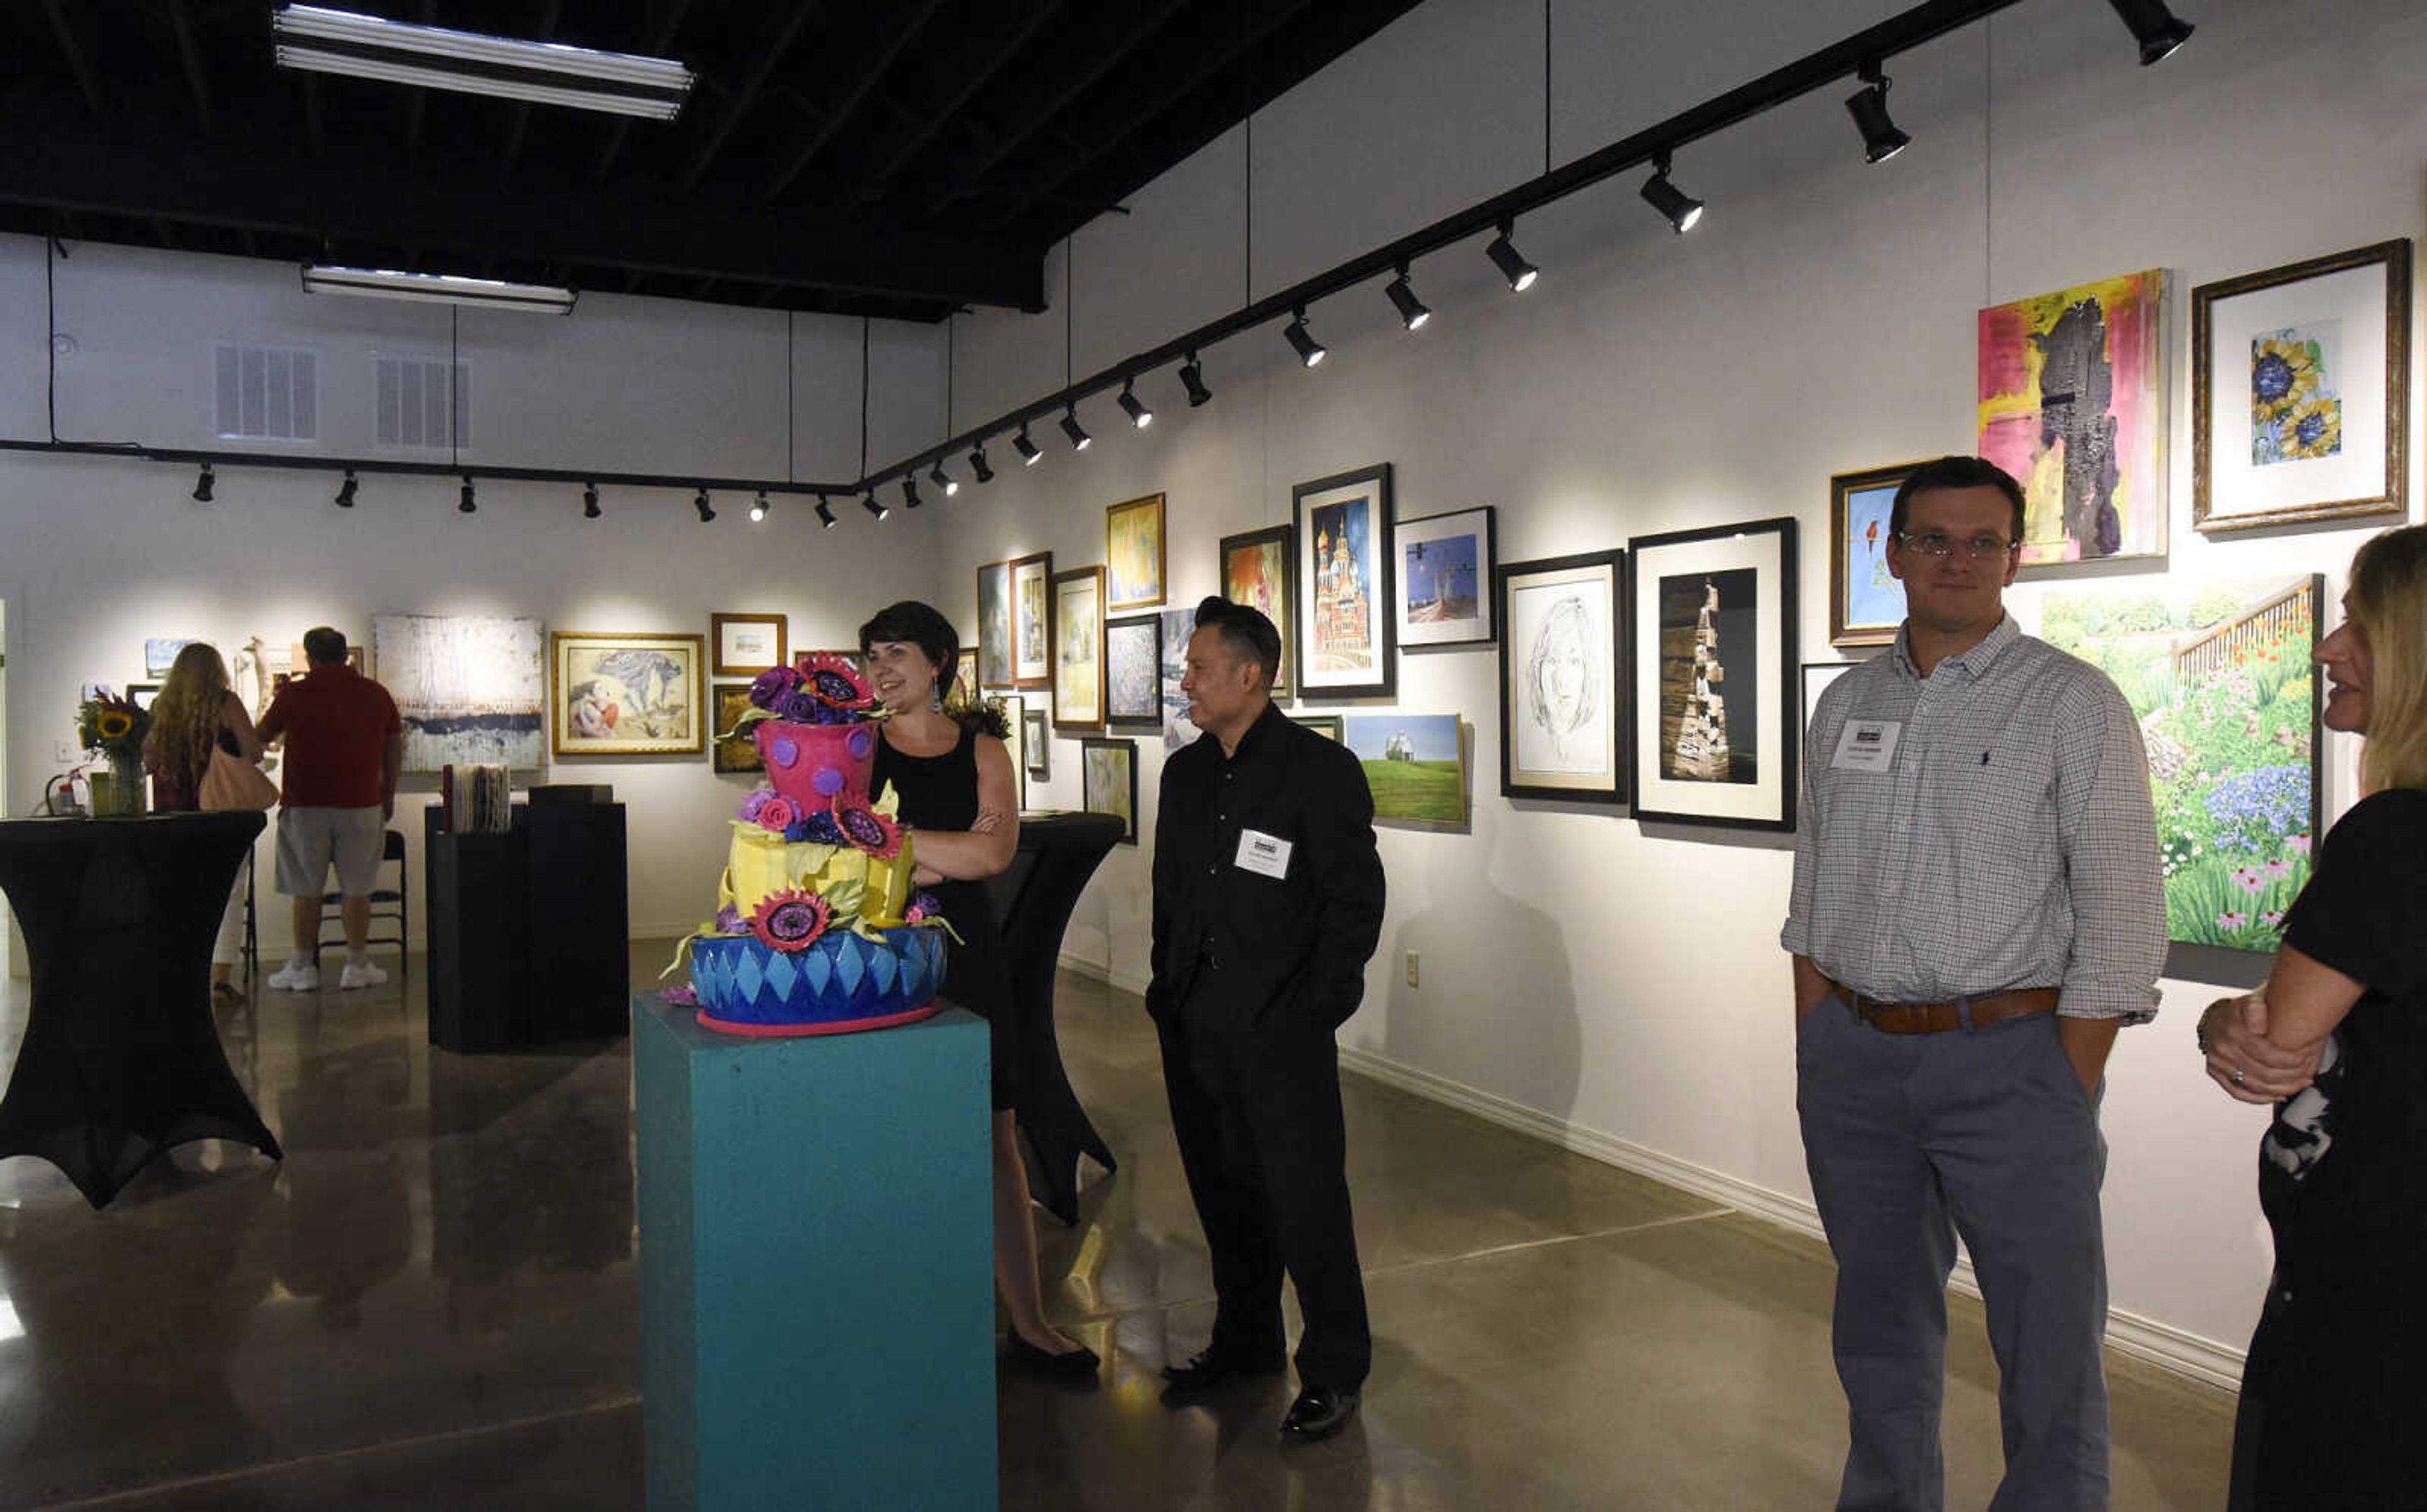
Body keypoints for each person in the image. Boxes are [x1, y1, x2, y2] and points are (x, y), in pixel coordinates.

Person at [1782, 454, 2165, 1509]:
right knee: (1878, 1322)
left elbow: (2125, 916)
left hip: (2012, 1060)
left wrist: (2061, 1077)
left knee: (2047, 1341)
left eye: (1983, 541)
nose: (1958, 560)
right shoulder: (1844, 704)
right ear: (1893, 553)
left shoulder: (2073, 704)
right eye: (1934, 539)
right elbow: (1815, 886)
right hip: (1855, 1060)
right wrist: (1821, 1031)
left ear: (2016, 555)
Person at [2194, 523, 2427, 1508]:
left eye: (2361, 627)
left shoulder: (2395, 837)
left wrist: (2223, 1022)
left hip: (2375, 1295)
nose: (2331, 649)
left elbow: (2271, 1053)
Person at [1148, 596, 1385, 1442]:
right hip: (1196, 1022)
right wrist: (1164, 988)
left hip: (1281, 1028)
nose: (1186, 683)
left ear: (1251, 675)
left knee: (1306, 1199)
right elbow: (1171, 896)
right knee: (1225, 1196)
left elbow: (1353, 904)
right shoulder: (1185, 774)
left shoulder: (1319, 772)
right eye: (1187, 669)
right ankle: (1245, 1341)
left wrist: (1316, 1008)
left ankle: (1334, 1366)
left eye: (1199, 667)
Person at [859, 600, 1098, 1378]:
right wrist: (929, 854)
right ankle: (909, 1308)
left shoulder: (984, 748)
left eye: (897, 652)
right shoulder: (859, 747)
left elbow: (995, 853)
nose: (882, 669)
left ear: (938, 662)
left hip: (969, 959)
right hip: (883, 956)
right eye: (872, 656)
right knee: (894, 1138)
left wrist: (886, 846)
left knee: (996, 1142)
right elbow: (837, 855)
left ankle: (1028, 1320)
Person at [255, 627, 402, 993]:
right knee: (358, 889)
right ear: (345, 655)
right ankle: (356, 963)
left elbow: (260, 735)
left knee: (306, 889)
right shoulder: (376, 694)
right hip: (363, 803)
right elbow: (394, 748)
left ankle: (303, 966)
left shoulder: (295, 693)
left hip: (306, 805)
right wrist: (388, 796)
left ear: (310, 657)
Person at [142, 641, 268, 1007]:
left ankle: (181, 974)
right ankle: (219, 981)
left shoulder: (162, 707)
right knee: (227, 895)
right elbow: (255, 751)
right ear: (217, 670)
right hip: (222, 816)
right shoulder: (225, 703)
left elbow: (149, 761)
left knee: (178, 894)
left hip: (173, 816)